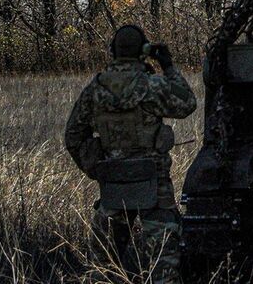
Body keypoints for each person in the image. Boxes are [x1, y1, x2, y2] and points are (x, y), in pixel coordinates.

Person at [65, 24, 197, 283]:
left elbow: (73, 137)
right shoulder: (153, 86)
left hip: (113, 187)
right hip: (154, 185)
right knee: (164, 267)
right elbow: (187, 103)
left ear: (112, 51)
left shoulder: (95, 90)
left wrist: (96, 167)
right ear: (143, 52)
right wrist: (168, 67)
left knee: (102, 267)